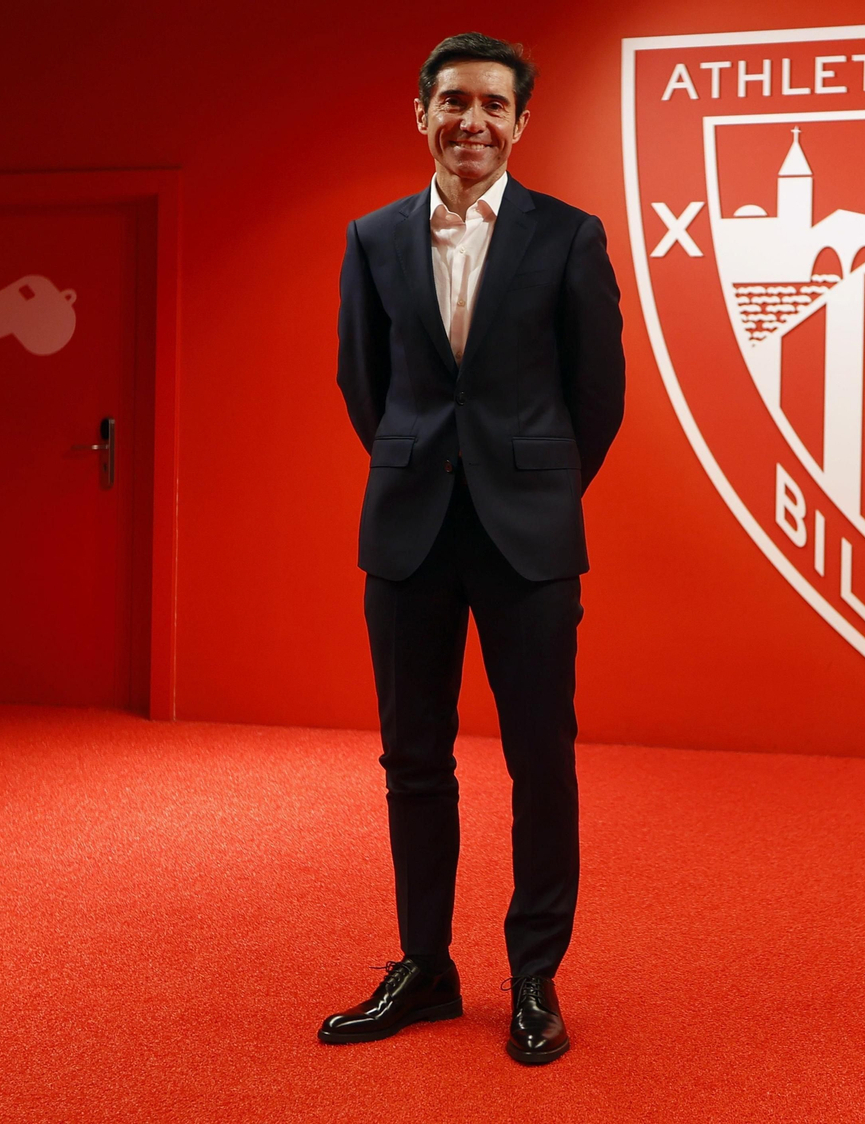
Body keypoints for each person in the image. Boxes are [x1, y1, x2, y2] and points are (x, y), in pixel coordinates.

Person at [320, 31, 624, 1065]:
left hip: (529, 535)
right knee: (413, 758)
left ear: (520, 122)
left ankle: (533, 973)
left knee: (541, 758)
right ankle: (425, 966)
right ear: (422, 113)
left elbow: (599, 394)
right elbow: (365, 382)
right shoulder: (372, 238)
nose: (473, 122)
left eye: (495, 105)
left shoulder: (569, 237)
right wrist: (423, 467)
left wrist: (529, 482)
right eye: (454, 101)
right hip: (406, 528)